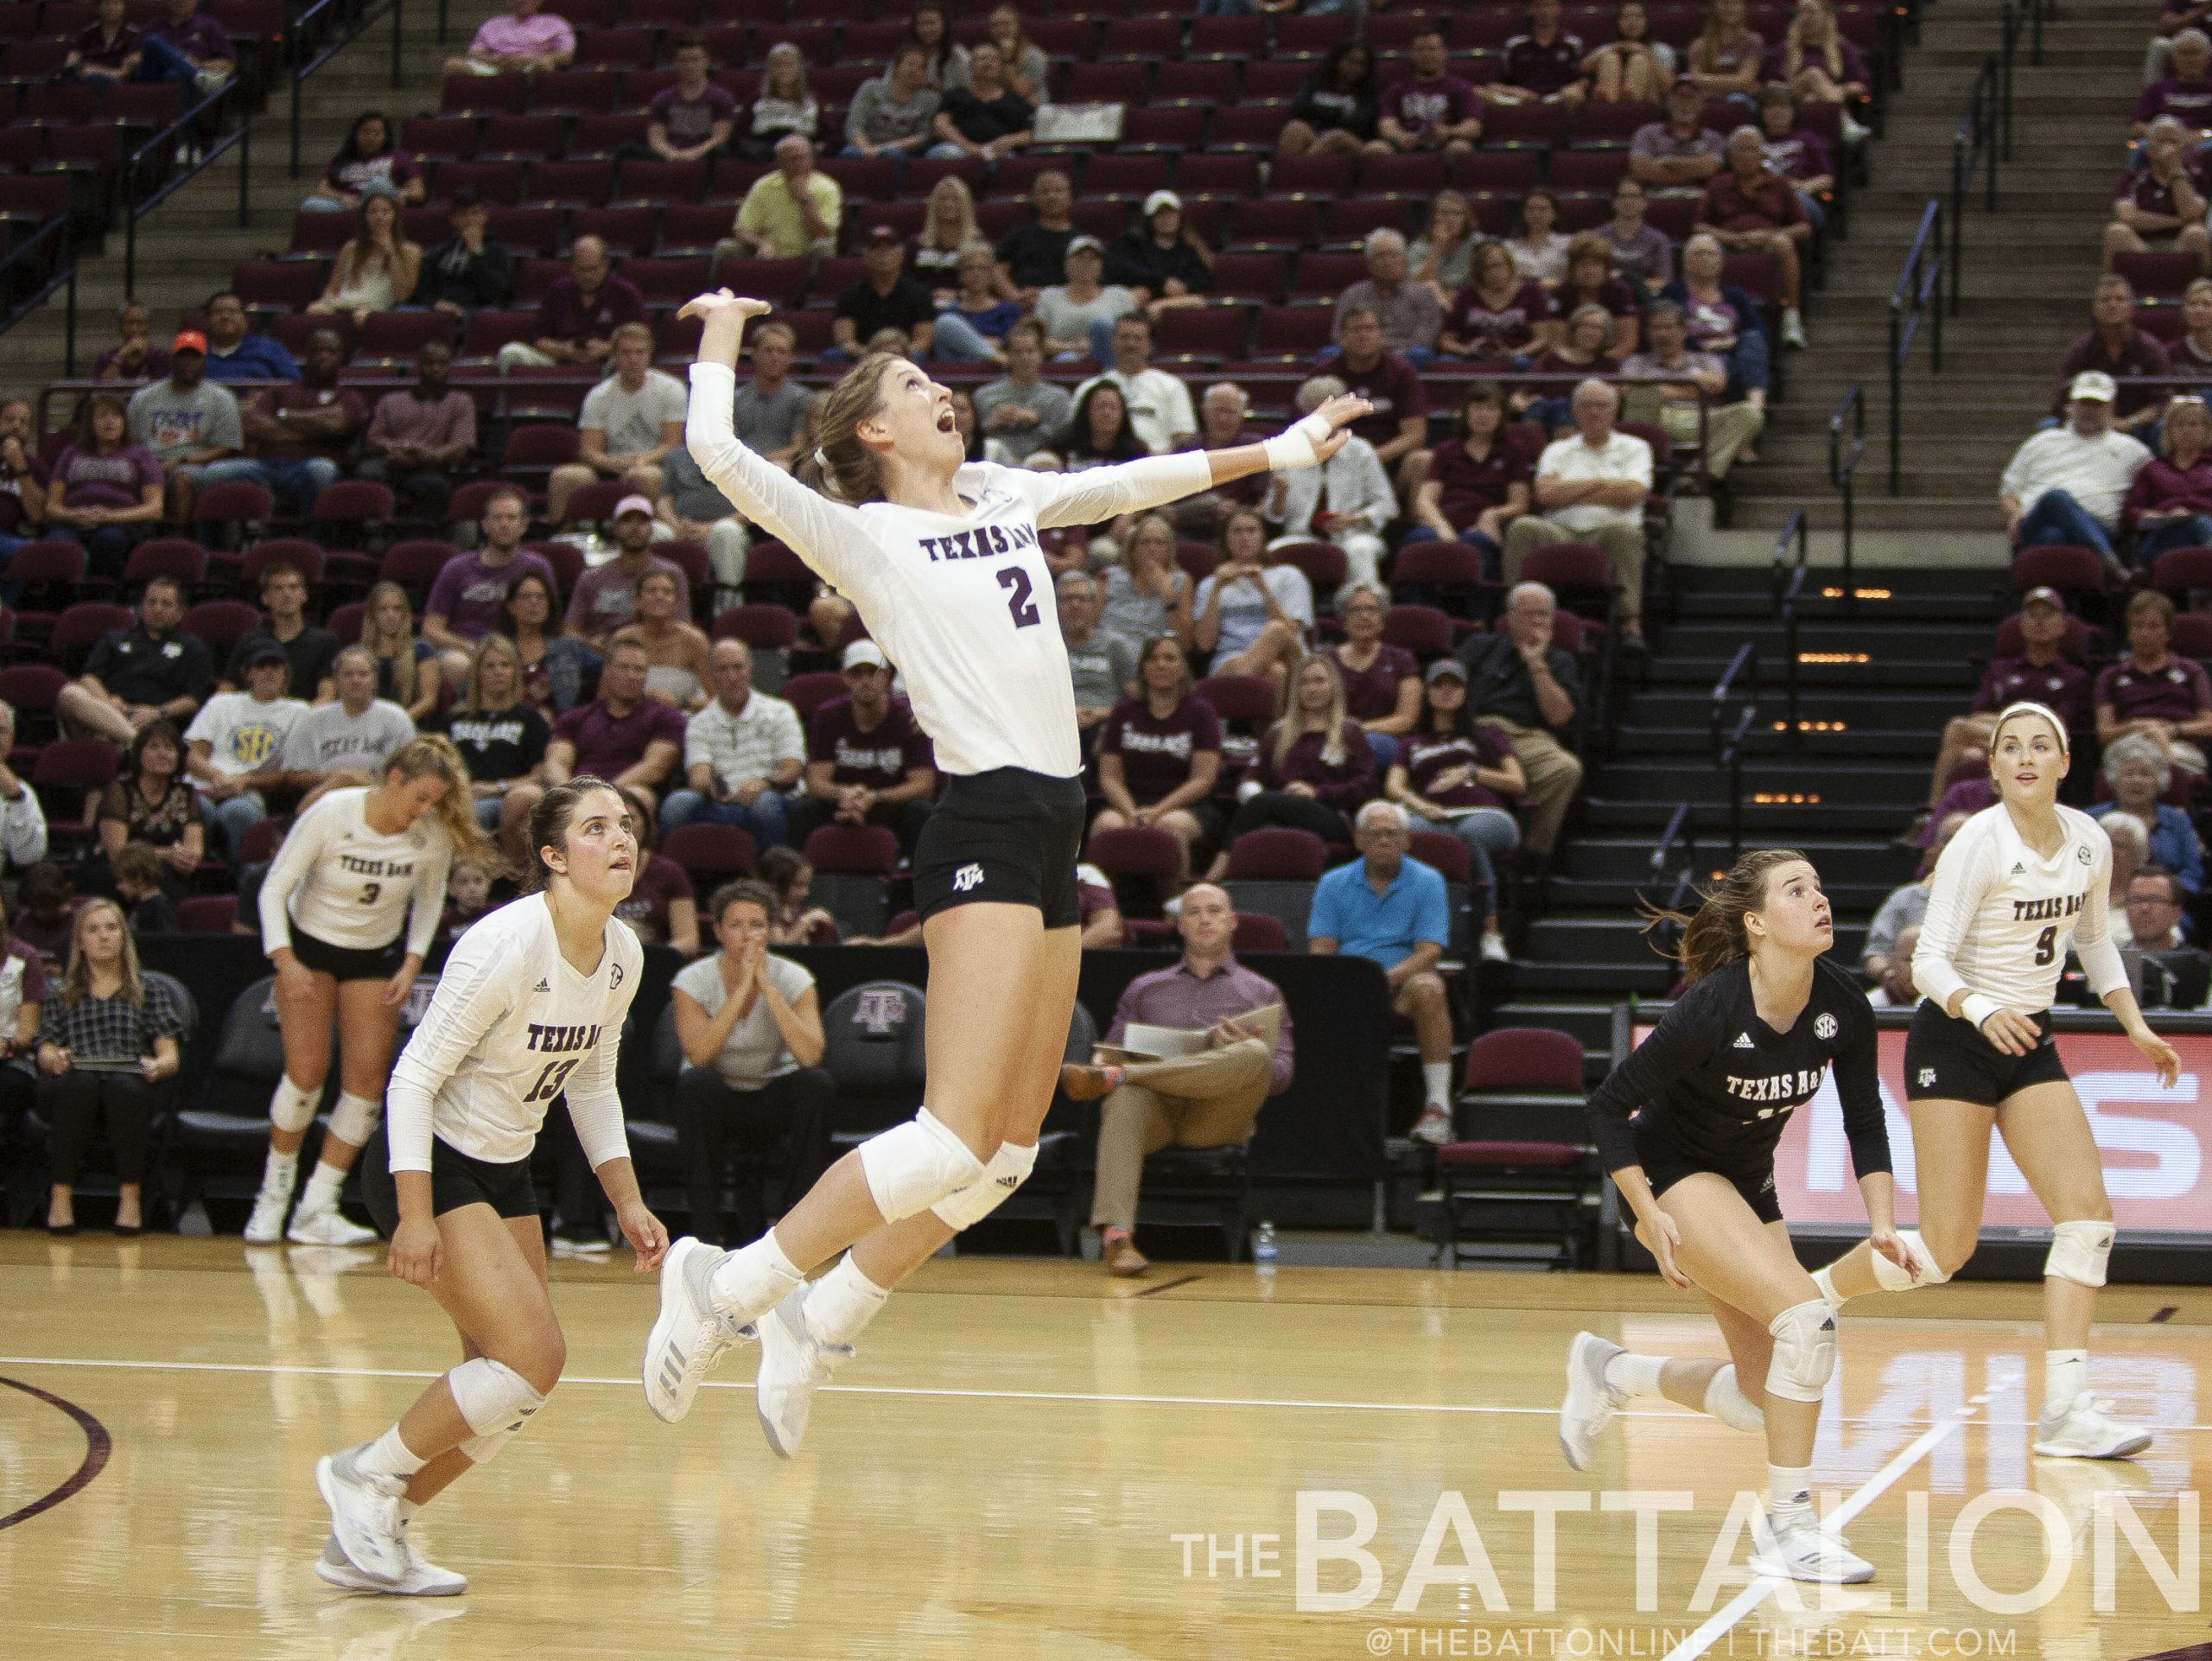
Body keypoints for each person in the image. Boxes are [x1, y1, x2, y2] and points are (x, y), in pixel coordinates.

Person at [640, 290, 1365, 1458]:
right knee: (945, 1135)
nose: (942, 393)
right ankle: (727, 1287)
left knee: (1004, 1156)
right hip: (976, 816)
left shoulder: (1003, 492)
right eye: (916, 389)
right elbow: (715, 451)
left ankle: (824, 1318)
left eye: (940, 384)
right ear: (874, 431)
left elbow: (1136, 483)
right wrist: (720, 324)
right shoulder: (862, 528)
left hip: (1055, 823)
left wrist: (1283, 448)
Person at [312, 780, 664, 1597]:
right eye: (596, 828)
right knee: (534, 1359)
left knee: (508, 1390)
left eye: (626, 826)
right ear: (552, 856)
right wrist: (412, 1215)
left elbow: (593, 1085)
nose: (621, 840)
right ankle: (362, 1475)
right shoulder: (506, 943)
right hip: (432, 1159)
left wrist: (627, 1199)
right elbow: (409, 1081)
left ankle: (374, 1534)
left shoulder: (623, 953)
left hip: (506, 1168)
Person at [1808, 703, 2178, 1462]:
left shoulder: (2087, 841)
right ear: (1997, 766)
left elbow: (2094, 939)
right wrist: (1982, 1008)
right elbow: (1930, 963)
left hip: (2028, 1040)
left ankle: (2067, 1410)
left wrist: (2134, 1023)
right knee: (1946, 1252)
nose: (2027, 757)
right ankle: (1808, 1298)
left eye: (2042, 745)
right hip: (1955, 1037)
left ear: (2066, 761)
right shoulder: (1979, 840)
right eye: (2012, 747)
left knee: (2087, 1218)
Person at [1558, 849, 1899, 1585]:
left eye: (1819, 884)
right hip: (1673, 1173)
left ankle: (1612, 1372)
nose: (1819, 898)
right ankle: (1789, 1528)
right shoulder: (1714, 1003)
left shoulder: (1844, 1003)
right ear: (1756, 923)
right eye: (1796, 889)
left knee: (1762, 1397)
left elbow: (1866, 1120)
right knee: (1808, 1323)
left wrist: (1882, 1221)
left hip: (1747, 1181)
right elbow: (1609, 1105)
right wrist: (1648, 1213)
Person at [244, 737, 486, 1249]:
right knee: (306, 1074)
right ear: (393, 778)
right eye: (419, 797)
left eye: (434, 802)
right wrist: (284, 962)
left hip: (374, 957)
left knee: (365, 1085)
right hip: (309, 949)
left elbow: (429, 901)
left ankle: (317, 1206)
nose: (425, 810)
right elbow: (272, 890)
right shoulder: (333, 814)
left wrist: (413, 959)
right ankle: (272, 1196)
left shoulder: (430, 834)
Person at [1060, 883, 1294, 1276]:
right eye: (1195, 912)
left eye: (1215, 911)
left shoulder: (1261, 993)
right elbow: (1111, 1049)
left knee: (1254, 1054)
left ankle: (1123, 1078)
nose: (1205, 919)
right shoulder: (1146, 987)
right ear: (1180, 925)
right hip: (1159, 1112)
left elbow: (1282, 1076)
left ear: (1232, 922)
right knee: (1124, 1099)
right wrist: (1106, 1059)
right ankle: (1117, 1239)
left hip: (1218, 1116)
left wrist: (1231, 1051)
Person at [671, 879, 836, 1248]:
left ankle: (797, 1230)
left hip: (769, 1097)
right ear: (717, 931)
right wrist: (743, 988)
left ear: (771, 931)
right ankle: (706, 1235)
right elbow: (699, 1054)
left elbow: (810, 1055)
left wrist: (767, 987)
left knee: (817, 1085)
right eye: (735, 925)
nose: (747, 935)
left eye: (757, 925)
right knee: (694, 1085)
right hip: (719, 1097)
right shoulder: (692, 980)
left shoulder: (794, 977)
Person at [1308, 800, 1456, 1140]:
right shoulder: (1332, 882)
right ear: (1359, 839)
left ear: (1407, 840)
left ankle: (1438, 1106)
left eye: (1392, 833)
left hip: (1400, 987)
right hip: (1349, 986)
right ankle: (1324, 1113)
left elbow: (1430, 951)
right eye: (1375, 834)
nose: (1384, 841)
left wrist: (1382, 980)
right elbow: (1322, 951)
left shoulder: (1428, 880)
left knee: (1429, 987)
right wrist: (1355, 984)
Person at [35, 899, 184, 1237]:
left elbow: (170, 1056)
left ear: (124, 936)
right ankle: (61, 1197)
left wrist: (156, 1066)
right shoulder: (62, 992)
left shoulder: (150, 990)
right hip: (75, 1079)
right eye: (93, 930)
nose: (103, 936)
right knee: (80, 1086)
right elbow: (45, 1047)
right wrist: (53, 1058)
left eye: (111, 928)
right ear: (80, 941)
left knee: (121, 1087)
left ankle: (130, 1197)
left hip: (129, 1080)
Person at [1386, 657, 1522, 963]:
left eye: (1454, 684)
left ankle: (1491, 932)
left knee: (1468, 835)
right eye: (1438, 684)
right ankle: (1408, 932)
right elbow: (1394, 787)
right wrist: (1421, 804)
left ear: (1465, 692)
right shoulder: (1411, 743)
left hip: (1487, 815)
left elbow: (1517, 782)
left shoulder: (1488, 735)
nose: (1446, 691)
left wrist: (1471, 772)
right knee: (1403, 836)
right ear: (1428, 692)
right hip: (1433, 816)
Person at [1504, 379, 1653, 651]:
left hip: (1608, 531)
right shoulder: (1557, 449)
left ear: (1614, 412)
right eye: (1586, 406)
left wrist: (1570, 490)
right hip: (1560, 531)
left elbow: (1632, 493)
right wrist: (1600, 483)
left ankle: (1630, 622)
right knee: (1522, 526)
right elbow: (1546, 495)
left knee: (1626, 532)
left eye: (1601, 406)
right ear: (1575, 412)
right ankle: (1513, 613)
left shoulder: (1636, 447)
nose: (1594, 412)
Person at [1203, 654, 1374, 881]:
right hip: (1280, 810)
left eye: (1319, 681)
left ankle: (1212, 879)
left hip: (1331, 814)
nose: (1312, 688)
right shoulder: (1279, 732)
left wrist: (1317, 792)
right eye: (1304, 682)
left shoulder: (1350, 731)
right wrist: (1255, 790)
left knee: (1264, 804)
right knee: (1262, 807)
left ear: (1334, 686)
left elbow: (1366, 784)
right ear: (1296, 690)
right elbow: (1251, 777)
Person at [508, 640, 685, 847]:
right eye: (624, 668)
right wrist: (571, 794)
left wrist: (604, 793)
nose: (632, 675)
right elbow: (557, 761)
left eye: (639, 670)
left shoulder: (665, 717)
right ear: (607, 671)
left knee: (639, 799)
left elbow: (655, 767)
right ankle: (524, 877)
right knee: (521, 797)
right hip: (575, 789)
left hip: (627, 788)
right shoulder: (576, 717)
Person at [1457, 580, 1585, 864]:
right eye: (1530, 614)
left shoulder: (1561, 661)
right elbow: (1450, 689)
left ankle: (1529, 854)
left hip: (1527, 737)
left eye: (1544, 614)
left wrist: (1537, 663)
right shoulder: (1481, 646)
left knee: (1566, 768)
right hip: (1476, 728)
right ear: (1511, 618)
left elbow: (1560, 717)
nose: (1538, 621)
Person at [196, 328, 367, 519]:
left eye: (331, 352)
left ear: (341, 358)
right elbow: (251, 425)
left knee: (322, 471)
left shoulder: (350, 397)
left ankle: (314, 541)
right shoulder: (279, 391)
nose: (323, 356)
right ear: (307, 356)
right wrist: (314, 428)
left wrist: (282, 416)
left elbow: (337, 425)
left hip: (311, 464)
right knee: (213, 473)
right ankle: (210, 546)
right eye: (317, 351)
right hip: (266, 465)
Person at [789, 640, 938, 852]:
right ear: (845, 678)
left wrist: (875, 797)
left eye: (873, 673)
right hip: (842, 803)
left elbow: (923, 785)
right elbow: (816, 781)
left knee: (921, 810)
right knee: (805, 810)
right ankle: (799, 872)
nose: (865, 681)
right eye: (857, 674)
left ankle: (913, 874)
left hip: (890, 804)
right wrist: (844, 795)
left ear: (886, 678)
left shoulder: (909, 717)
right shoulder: (828, 715)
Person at [661, 638, 804, 844]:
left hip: (769, 794)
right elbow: (698, 775)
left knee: (765, 805)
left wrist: (764, 784)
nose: (732, 677)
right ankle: (672, 873)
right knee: (677, 804)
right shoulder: (699, 722)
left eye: (738, 668)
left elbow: (793, 769)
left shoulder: (780, 711)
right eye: (723, 670)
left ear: (751, 671)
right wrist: (714, 788)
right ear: (712, 676)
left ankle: (771, 873)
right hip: (720, 801)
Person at [1268, 374, 1395, 601]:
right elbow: (1273, 517)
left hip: (1352, 534)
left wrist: (1354, 519)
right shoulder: (1288, 451)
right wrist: (1278, 495)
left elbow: (1387, 506)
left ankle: (1364, 609)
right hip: (1301, 535)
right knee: (1275, 550)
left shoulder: (1361, 450)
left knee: (1361, 550)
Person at [2002, 372, 2152, 564]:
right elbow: (2009, 491)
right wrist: (2015, 513)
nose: (2090, 409)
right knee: (2055, 498)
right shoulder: (2042, 441)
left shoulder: (2134, 451)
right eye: (2084, 402)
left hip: (2097, 526)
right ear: (2071, 404)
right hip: (2036, 522)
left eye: (2098, 404)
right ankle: (2112, 564)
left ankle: (2049, 592)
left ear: (2112, 407)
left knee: (2054, 536)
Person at [423, 489, 560, 690]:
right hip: (465, 649)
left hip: (520, 648)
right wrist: (471, 648)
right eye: (497, 518)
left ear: (523, 525)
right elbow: (431, 628)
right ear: (485, 525)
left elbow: (551, 620)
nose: (504, 524)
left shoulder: (538, 567)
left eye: (511, 518)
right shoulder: (457, 568)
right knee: (458, 665)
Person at [186, 641, 308, 862]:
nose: (269, 672)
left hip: (251, 791)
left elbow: (290, 774)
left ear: (285, 673)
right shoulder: (221, 704)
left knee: (238, 812)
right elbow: (194, 756)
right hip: (206, 783)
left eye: (275, 666)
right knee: (198, 806)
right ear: (248, 674)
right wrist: (217, 776)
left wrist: (244, 781)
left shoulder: (299, 712)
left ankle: (242, 879)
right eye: (261, 666)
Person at [57, 577, 215, 747]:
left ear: (180, 612)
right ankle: (136, 743)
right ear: (141, 607)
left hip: (158, 720)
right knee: (70, 694)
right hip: (112, 711)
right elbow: (90, 678)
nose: (157, 608)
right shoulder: (115, 638)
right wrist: (109, 704)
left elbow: (194, 699)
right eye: (151, 602)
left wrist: (158, 712)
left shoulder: (193, 647)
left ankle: (133, 742)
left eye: (166, 604)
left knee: (103, 737)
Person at [1620, 299, 1767, 479]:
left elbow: (1716, 385)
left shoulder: (1706, 360)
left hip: (1700, 419)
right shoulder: (1636, 363)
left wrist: (1659, 388)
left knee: (1751, 413)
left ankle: (1698, 473)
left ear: (1683, 331)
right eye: (1655, 328)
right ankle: (1696, 475)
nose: (1662, 334)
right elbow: (1630, 392)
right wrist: (1694, 384)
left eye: (1668, 327)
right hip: (1657, 418)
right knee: (1643, 397)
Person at [1698, 127, 1810, 347]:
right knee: (1703, 248)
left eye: (1752, 150)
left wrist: (1769, 235)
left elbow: (1803, 227)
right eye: (1741, 150)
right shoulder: (1718, 185)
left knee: (1783, 243)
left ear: (1762, 155)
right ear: (1730, 155)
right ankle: (1705, 312)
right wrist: (1728, 237)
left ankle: (1791, 317)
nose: (1746, 156)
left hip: (1768, 243)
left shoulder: (1779, 184)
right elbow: (1699, 226)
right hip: (1727, 244)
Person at [1409, 382, 1535, 570]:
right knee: (1420, 539)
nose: (1483, 414)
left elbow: (1519, 504)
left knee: (1474, 542)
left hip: (1483, 527)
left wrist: (1493, 514)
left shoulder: (1513, 451)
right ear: (1465, 412)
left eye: (1491, 408)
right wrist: (1441, 526)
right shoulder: (1446, 450)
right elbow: (1425, 500)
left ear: (1502, 415)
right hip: (1445, 522)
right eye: (1476, 407)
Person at [42, 393, 163, 578]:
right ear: (90, 424)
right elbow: (52, 507)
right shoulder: (70, 453)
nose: (109, 422)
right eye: (102, 416)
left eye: (115, 416)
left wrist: (110, 516)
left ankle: (104, 598)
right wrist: (76, 515)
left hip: (122, 524)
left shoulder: (141, 455)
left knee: (109, 540)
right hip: (74, 522)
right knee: (58, 543)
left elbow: (154, 509)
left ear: (124, 421)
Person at [1192, 506, 1313, 690]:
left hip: (1287, 656)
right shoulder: (1210, 585)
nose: (1244, 537)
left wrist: (1263, 589)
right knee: (1276, 672)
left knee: (1277, 630)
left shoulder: (1289, 575)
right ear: (1226, 539)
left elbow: (1291, 633)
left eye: (1251, 530)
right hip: (1232, 657)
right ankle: (1266, 717)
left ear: (1262, 537)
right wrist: (1217, 589)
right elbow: (1204, 644)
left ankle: (1227, 697)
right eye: (1237, 531)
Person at [442, 634, 551, 834]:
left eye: (505, 665)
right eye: (489, 666)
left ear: (515, 672)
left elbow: (539, 776)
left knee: (474, 813)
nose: (498, 672)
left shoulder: (531, 719)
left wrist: (495, 788)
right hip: (458, 795)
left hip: (503, 798)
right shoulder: (454, 718)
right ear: (477, 673)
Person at [125, 330, 239, 519]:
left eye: (194, 358)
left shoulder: (222, 398)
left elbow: (226, 447)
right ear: (171, 360)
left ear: (204, 362)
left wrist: (181, 461)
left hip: (195, 463)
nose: (188, 363)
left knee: (182, 478)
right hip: (149, 460)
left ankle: (179, 538)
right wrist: (148, 464)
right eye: (182, 357)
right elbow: (130, 441)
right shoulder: (144, 397)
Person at [2095, 590, 2212, 770]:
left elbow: (2208, 724)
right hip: (2128, 747)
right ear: (2129, 632)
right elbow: (2104, 733)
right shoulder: (2110, 676)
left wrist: (2173, 729)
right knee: (2134, 764)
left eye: (2153, 627)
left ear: (2168, 632)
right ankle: (2173, 777)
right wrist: (2135, 726)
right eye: (2138, 626)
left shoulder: (2191, 671)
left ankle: (2169, 769)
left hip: (2180, 746)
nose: (2145, 633)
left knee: (2147, 767)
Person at [359, 342, 477, 519]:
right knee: (366, 472)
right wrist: (402, 448)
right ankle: (373, 531)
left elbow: (461, 446)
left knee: (434, 486)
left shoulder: (461, 401)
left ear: (450, 367)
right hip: (392, 463)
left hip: (431, 468)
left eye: (442, 364)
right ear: (418, 366)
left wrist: (430, 455)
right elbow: (373, 440)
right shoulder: (390, 400)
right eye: (429, 363)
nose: (436, 368)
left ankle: (418, 539)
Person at [279, 646, 418, 795]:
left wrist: (363, 779)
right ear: (337, 680)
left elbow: (412, 770)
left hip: (380, 795)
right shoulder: (313, 719)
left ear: (374, 681)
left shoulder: (397, 717)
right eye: (348, 674)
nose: (355, 680)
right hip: (328, 796)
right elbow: (293, 775)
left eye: (363, 674)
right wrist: (334, 778)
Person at [496, 238, 645, 374]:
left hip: (606, 361)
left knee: (625, 361)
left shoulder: (625, 293)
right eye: (582, 269)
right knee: (509, 353)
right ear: (572, 267)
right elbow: (539, 339)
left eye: (593, 269)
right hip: (560, 359)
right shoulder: (558, 291)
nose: (587, 276)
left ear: (606, 265)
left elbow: (643, 340)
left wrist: (607, 348)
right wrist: (564, 349)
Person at [2051, 275, 2171, 440]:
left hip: (2138, 425)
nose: (2112, 304)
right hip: (2090, 420)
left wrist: (2130, 422)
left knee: (2161, 428)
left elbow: (2162, 402)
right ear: (2095, 308)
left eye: (2119, 299)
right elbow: (2061, 401)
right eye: (2105, 300)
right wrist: (2098, 419)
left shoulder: (2151, 348)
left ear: (2131, 307)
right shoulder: (2080, 350)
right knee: (2048, 425)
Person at [563, 500, 690, 650]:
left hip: (654, 652)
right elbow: (571, 630)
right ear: (615, 528)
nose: (635, 527)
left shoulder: (672, 574)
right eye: (627, 520)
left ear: (652, 529)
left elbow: (683, 627)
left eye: (642, 522)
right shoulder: (591, 577)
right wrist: (589, 644)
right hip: (599, 655)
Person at [97, 719, 203, 899]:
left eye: (169, 748)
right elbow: (118, 854)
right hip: (118, 870)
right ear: (139, 755)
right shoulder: (120, 790)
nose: (162, 754)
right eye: (154, 747)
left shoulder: (186, 793)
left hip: (164, 871)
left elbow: (194, 846)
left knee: (175, 877)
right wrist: (167, 854)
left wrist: (188, 857)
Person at [1863, 811, 1967, 983]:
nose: (1959, 847)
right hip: (1911, 991)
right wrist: (1889, 975)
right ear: (1933, 850)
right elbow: (1875, 954)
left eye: (1967, 839)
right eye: (1950, 840)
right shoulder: (1906, 898)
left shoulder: (2001, 898)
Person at [2094, 734, 2204, 894]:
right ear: (2114, 779)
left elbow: (2192, 875)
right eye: (2128, 773)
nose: (2136, 780)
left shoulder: (2178, 821)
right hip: (2104, 902)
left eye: (2145, 774)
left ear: (2159, 781)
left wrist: (2160, 890)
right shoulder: (2092, 820)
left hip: (2163, 904)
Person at [719, 134, 842, 270]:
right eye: (792, 159)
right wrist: (761, 243)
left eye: (804, 158)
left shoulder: (828, 188)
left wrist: (805, 199)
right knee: (725, 247)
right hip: (767, 255)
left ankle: (812, 291)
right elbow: (742, 230)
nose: (799, 164)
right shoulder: (763, 186)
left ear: (812, 159)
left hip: (806, 257)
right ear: (779, 162)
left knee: (823, 247)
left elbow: (821, 236)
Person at [1332, 585, 1421, 767]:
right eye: (1356, 610)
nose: (1364, 616)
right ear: (1344, 620)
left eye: (1371, 610)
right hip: (1332, 736)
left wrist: (1358, 730)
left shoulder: (1401, 659)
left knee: (1368, 745)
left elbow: (1406, 719)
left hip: (1383, 739)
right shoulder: (1327, 660)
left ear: (1382, 620)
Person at [833, 227, 945, 363]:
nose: (883, 253)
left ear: (901, 255)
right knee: (833, 356)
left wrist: (895, 354)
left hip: (905, 355)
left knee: (920, 357)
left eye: (890, 248)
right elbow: (845, 341)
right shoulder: (850, 294)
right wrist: (874, 355)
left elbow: (923, 342)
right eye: (876, 248)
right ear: (866, 256)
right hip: (864, 356)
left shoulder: (919, 293)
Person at [1332, 230, 1443, 365]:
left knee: (1420, 354)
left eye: (1394, 255)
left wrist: (1384, 352)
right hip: (1360, 354)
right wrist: (1368, 350)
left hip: (1407, 356)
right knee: (1329, 353)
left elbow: (1427, 338)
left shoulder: (1423, 294)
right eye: (1381, 256)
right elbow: (1338, 335)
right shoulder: (1353, 294)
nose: (1388, 262)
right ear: (1369, 263)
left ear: (1404, 260)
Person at [309, 192, 423, 324]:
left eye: (385, 211)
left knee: (362, 318)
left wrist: (390, 252)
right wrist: (326, 303)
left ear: (394, 216)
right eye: (373, 212)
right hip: (344, 302)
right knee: (314, 310)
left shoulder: (410, 250)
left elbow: (402, 295)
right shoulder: (351, 247)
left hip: (378, 305)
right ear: (365, 217)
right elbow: (333, 288)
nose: (379, 217)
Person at [2123, 394, 2212, 561]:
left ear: (2206, 430)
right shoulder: (2153, 469)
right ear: (2169, 431)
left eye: (2194, 425)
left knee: (2201, 524)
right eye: (2179, 425)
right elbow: (2132, 515)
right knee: (2199, 525)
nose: (2186, 430)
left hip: (2207, 525)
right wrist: (2165, 517)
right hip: (2162, 538)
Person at [1104, 190, 1213, 325]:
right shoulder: (1131, 243)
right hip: (1139, 299)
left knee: (1196, 302)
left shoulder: (1190, 250)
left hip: (1170, 302)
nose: (1166, 219)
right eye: (1160, 215)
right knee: (1134, 295)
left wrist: (1182, 287)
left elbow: (1201, 280)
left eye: (1171, 214)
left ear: (1180, 217)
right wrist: (1161, 282)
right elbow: (1121, 268)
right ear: (1150, 219)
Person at [976, 321, 1074, 466]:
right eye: (1017, 352)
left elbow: (1063, 441)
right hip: (997, 463)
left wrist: (1036, 422)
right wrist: (991, 425)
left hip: (1040, 463)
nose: (1024, 358)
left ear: (1041, 354)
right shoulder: (984, 396)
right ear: (1008, 356)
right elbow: (971, 439)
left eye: (1030, 351)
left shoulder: (1058, 397)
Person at [611, 568, 711, 710]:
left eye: (667, 592)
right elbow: (606, 697)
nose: (660, 596)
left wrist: (681, 705)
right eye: (652, 591)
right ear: (637, 602)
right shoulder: (623, 639)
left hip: (684, 718)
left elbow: (718, 701)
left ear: (675, 603)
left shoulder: (695, 640)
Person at [1097, 513, 1193, 660]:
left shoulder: (1181, 581)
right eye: (1145, 542)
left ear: (1169, 550)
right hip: (1110, 656)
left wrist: (1168, 596)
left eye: (1159, 542)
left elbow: (1185, 643)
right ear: (1132, 550)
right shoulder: (1108, 577)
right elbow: (1091, 628)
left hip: (1154, 660)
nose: (1152, 548)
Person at [501, 571, 596, 717]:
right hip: (505, 722)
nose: (534, 602)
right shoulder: (496, 648)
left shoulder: (568, 647)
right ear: (511, 607)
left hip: (557, 727)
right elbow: (470, 692)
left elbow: (610, 672)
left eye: (541, 597)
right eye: (526, 596)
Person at [1440, 239, 1548, 366]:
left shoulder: (1530, 291)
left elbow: (1542, 339)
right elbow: (1445, 340)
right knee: (1446, 362)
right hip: (1472, 355)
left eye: (1498, 266)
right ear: (1479, 272)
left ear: (1509, 265)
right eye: (1487, 268)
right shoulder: (1467, 293)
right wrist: (1466, 351)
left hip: (1516, 355)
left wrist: (1515, 353)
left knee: (1521, 363)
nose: (1494, 273)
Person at [1058, 570, 1135, 745]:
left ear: (1094, 605)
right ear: (1057, 606)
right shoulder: (1047, 646)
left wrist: (1099, 714)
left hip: (1106, 726)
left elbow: (1136, 699)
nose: (1075, 605)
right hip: (1056, 726)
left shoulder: (1115, 645)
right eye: (1068, 599)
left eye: (1082, 599)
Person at [1378, 28, 1483, 156]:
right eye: (1420, 50)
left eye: (1432, 49)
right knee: (1376, 148)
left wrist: (1448, 132)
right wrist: (1400, 136)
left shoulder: (1461, 88)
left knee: (1459, 148)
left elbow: (1473, 126)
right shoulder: (1397, 89)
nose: (1426, 54)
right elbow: (1386, 125)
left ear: (1444, 53)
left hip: (1447, 144)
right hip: (1406, 145)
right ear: (1412, 54)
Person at [1035, 237, 1138, 365]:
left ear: (1101, 265)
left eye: (1093, 259)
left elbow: (1135, 335)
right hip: (1066, 355)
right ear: (1067, 264)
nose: (1086, 264)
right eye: (1080, 258)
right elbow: (1039, 341)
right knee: (1067, 360)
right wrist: (1071, 347)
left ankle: (1110, 380)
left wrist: (1094, 344)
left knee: (1103, 324)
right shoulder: (1049, 296)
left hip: (1111, 358)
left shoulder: (1119, 295)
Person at [844, 43, 940, 178]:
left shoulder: (930, 99)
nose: (916, 70)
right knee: (850, 154)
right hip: (864, 146)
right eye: (911, 64)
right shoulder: (871, 88)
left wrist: (884, 148)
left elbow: (923, 136)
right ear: (896, 67)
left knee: (892, 156)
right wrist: (866, 149)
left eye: (922, 67)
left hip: (900, 151)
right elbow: (854, 126)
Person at [415, 188, 516, 315]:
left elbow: (494, 294)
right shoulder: (440, 251)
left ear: (484, 216)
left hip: (478, 311)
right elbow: (422, 290)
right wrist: (435, 303)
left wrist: (476, 252)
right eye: (462, 214)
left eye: (474, 213)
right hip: (443, 310)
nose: (469, 220)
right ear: (453, 219)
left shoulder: (498, 249)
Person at [927, 43, 1033, 162]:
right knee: (945, 153)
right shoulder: (955, 95)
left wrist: (1011, 140)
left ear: (1000, 67)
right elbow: (940, 125)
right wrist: (969, 147)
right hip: (959, 150)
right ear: (971, 66)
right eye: (982, 59)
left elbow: (1029, 133)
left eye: (994, 59)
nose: (988, 63)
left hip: (1000, 153)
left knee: (1007, 160)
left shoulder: (1015, 100)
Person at [1279, 41, 1386, 157]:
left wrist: (1321, 112)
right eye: (1350, 61)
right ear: (1337, 60)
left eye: (1360, 64)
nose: (1354, 68)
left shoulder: (1368, 91)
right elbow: (1298, 108)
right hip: (1317, 136)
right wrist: (1339, 112)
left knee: (1336, 136)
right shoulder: (1315, 83)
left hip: (1352, 143)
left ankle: (1298, 170)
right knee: (1295, 128)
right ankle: (1290, 171)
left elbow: (1362, 122)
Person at [359, 582, 442, 725]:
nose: (390, 615)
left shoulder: (422, 650)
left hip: (407, 725)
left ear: (405, 614)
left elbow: (429, 701)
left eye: (397, 609)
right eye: (383, 609)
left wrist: (397, 723)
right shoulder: (359, 655)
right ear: (372, 615)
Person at [1630, 77, 1726, 198]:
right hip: (1655, 198)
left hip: (1699, 199)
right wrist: (1695, 170)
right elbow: (1642, 169)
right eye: (1679, 96)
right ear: (1668, 102)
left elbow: (1709, 168)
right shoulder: (1646, 133)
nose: (1685, 102)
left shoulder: (1714, 138)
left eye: (1690, 96)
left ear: (1702, 104)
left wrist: (1667, 161)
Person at [1758, 85, 1834, 232]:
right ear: (1761, 112)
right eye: (1770, 106)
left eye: (1783, 105)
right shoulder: (1753, 140)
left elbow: (1827, 179)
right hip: (1762, 197)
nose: (1777, 110)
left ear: (1794, 111)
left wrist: (1804, 186)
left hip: (1798, 196)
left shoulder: (1807, 139)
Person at [649, 35, 736, 163]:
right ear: (676, 63)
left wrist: (693, 154)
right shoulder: (662, 99)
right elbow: (656, 138)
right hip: (671, 157)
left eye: (695, 60)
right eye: (683, 61)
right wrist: (671, 154)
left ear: (706, 61)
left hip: (706, 158)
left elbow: (720, 138)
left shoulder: (721, 98)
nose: (689, 66)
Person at [994, 170, 1078, 302]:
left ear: (1070, 197)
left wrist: (1048, 298)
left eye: (1058, 191)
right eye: (1044, 191)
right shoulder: (1016, 237)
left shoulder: (1081, 243)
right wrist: (1017, 297)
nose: (1051, 196)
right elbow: (997, 272)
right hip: (1019, 306)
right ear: (1035, 198)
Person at [1766, 0, 1867, 109]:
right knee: (1813, 75)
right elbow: (1770, 84)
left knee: (1812, 96)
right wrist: (1805, 83)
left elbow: (1860, 86)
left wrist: (1831, 90)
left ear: (1827, 16)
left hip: (1827, 102)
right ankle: (1844, 120)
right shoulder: (1785, 48)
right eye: (1801, 12)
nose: (1806, 18)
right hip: (1791, 107)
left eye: (1812, 12)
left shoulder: (1842, 48)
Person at [1494, 0, 1590, 105]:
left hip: (1560, 99)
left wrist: (1576, 87)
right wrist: (1513, 91)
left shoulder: (1572, 43)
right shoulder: (1514, 45)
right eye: (1538, 6)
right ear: (1530, 10)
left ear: (1558, 8)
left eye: (1549, 6)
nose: (1544, 11)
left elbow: (1585, 79)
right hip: (1521, 102)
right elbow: (1495, 83)